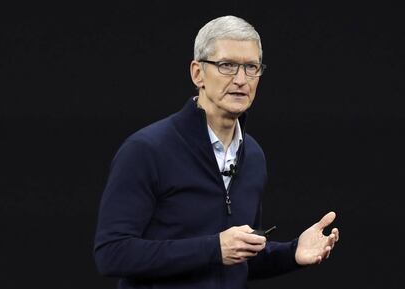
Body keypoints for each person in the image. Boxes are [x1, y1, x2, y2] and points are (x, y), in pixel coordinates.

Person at [94, 15, 339, 289]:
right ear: (197, 73)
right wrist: (213, 249)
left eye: (251, 67)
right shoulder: (147, 150)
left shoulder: (253, 155)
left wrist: (293, 253)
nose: (241, 79)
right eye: (227, 66)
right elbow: (112, 254)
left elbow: (239, 259)